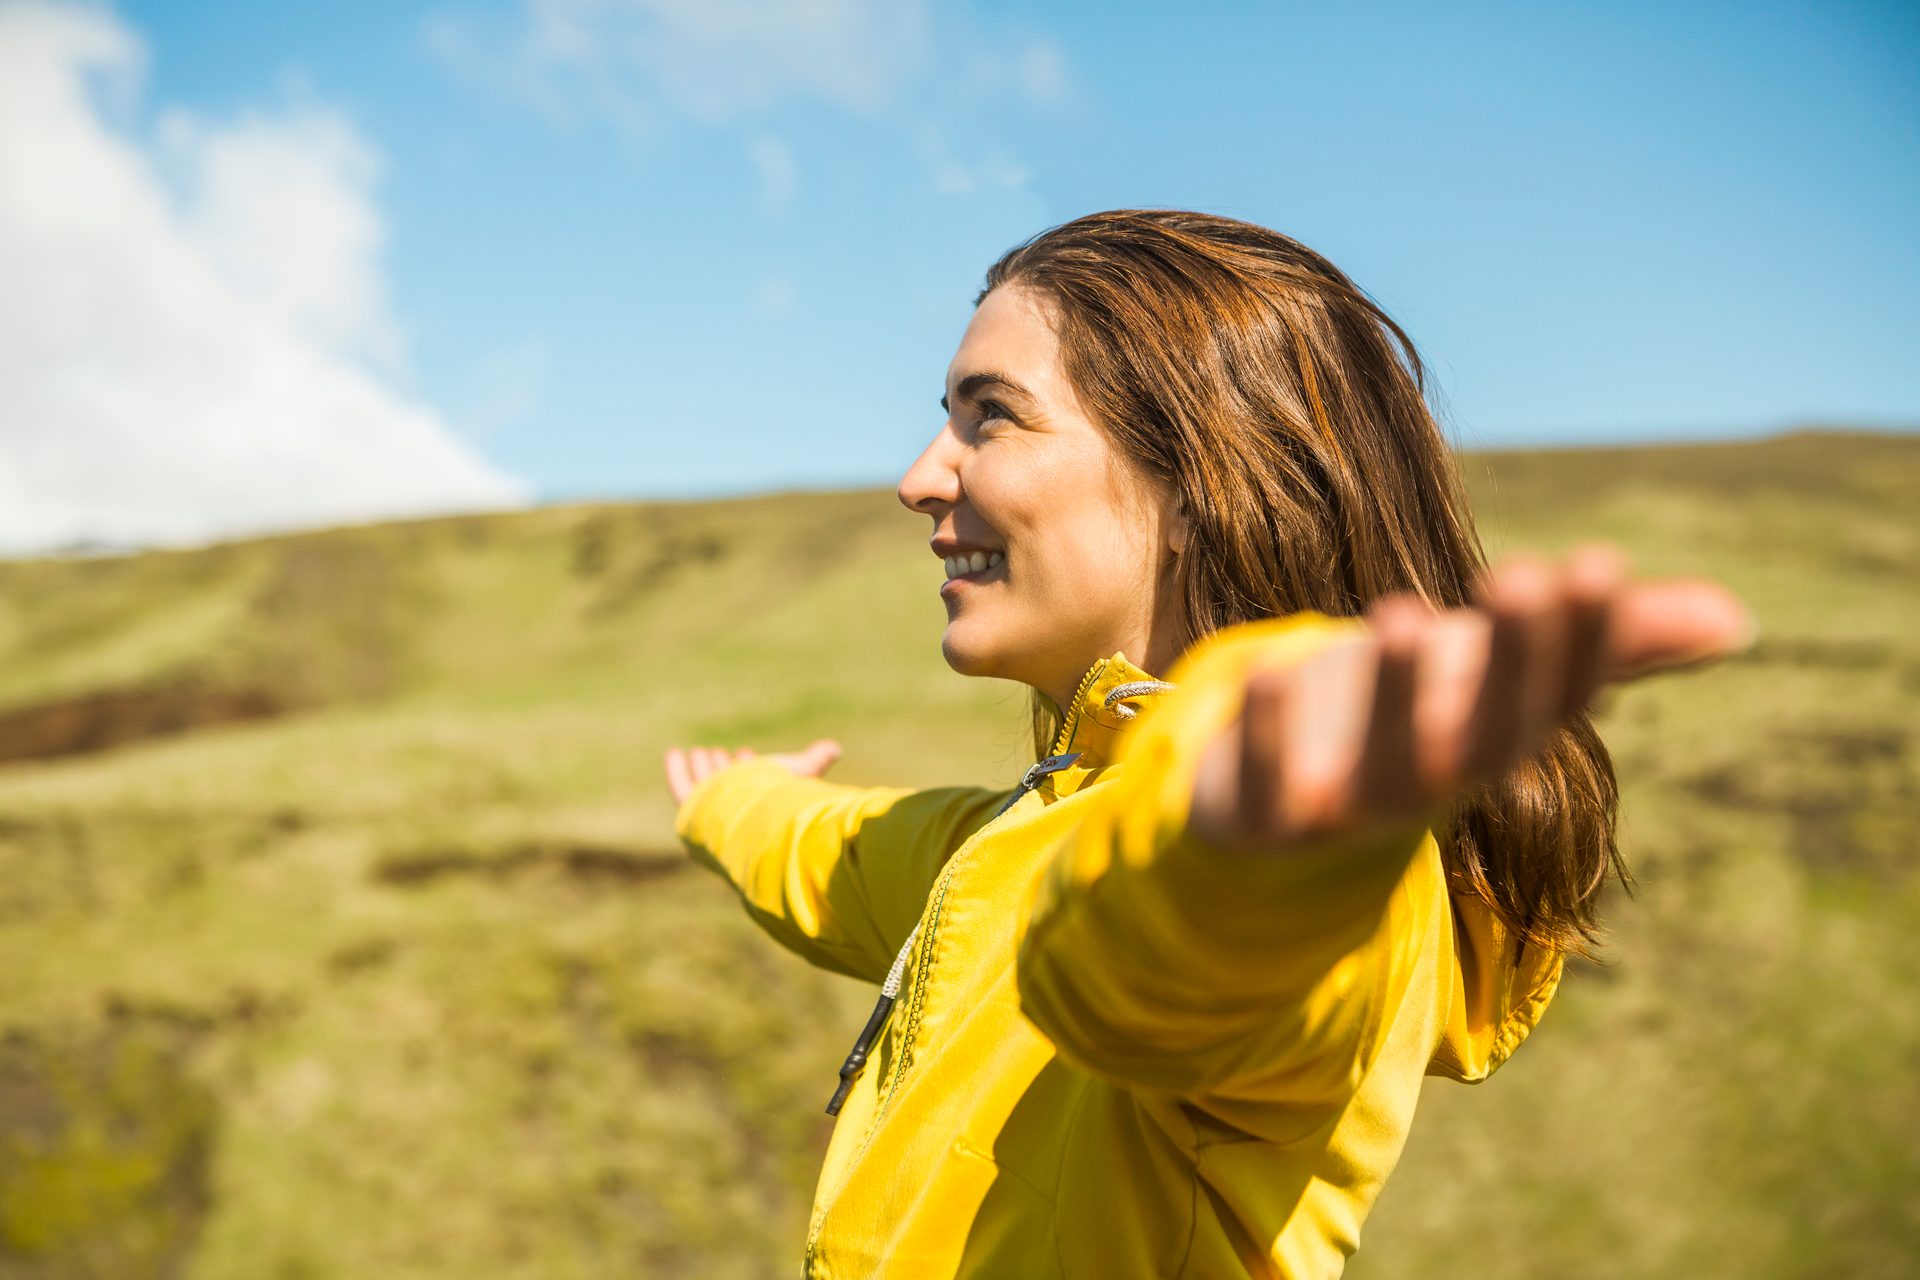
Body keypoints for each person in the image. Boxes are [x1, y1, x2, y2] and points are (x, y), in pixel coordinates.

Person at [662, 210, 1750, 1278]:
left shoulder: (1337, 889)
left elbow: (1174, 959)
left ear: (1195, 486)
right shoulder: (1008, 835)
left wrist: (1258, 841)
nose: (919, 476)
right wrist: (730, 801)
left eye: (990, 416)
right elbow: (839, 847)